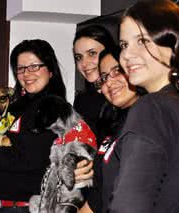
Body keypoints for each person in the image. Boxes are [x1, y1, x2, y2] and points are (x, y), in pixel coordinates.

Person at [0, 39, 67, 212]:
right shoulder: (16, 107)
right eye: (21, 68)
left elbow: (28, 159)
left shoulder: (52, 108)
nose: (27, 73)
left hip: (21, 207)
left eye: (34, 66)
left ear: (50, 70)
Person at [106, 1, 179, 212]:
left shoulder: (153, 108)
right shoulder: (175, 105)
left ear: (173, 44)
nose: (126, 55)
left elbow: (129, 205)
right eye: (123, 45)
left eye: (141, 41)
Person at [77, 46, 141, 213]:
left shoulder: (150, 119)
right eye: (104, 78)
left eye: (117, 71)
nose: (109, 83)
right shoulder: (114, 125)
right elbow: (99, 195)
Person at [72, 25, 117, 143]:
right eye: (78, 57)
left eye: (92, 53)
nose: (84, 63)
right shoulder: (81, 100)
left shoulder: (122, 95)